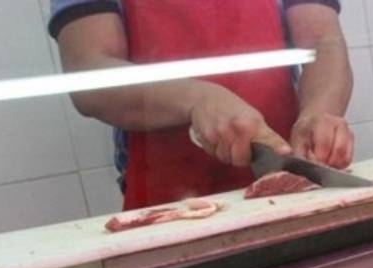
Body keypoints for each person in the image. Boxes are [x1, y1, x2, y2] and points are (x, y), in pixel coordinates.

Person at [49, 0, 354, 210]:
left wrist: (318, 112)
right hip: (173, 203)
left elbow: (323, 41)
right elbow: (89, 71)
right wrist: (198, 99)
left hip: (288, 178)